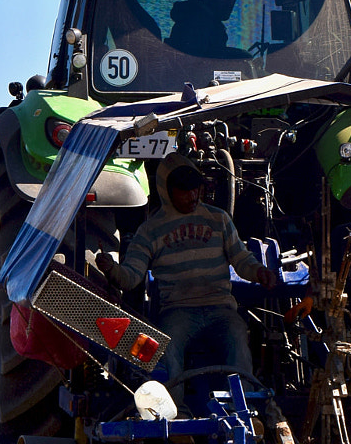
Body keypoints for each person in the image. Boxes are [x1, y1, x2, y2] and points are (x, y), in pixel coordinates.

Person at [96, 155, 277, 408]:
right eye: (184, 191)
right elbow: (131, 277)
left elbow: (241, 258)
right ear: (167, 191)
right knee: (165, 347)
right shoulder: (150, 230)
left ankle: (243, 409)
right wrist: (112, 270)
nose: (192, 196)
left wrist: (259, 272)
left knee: (238, 336)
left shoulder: (219, 219)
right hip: (178, 311)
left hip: (220, 308)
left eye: (196, 189)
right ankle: (175, 415)